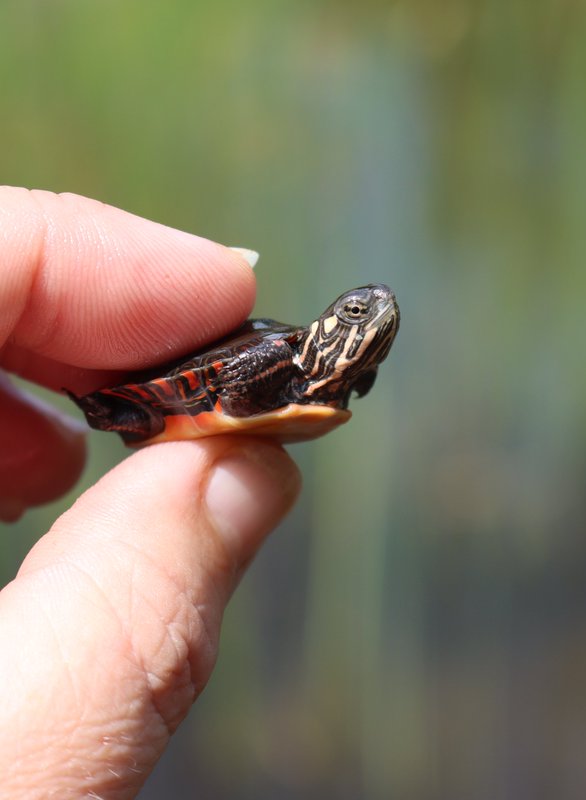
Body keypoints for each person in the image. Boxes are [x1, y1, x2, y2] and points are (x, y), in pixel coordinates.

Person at [0, 187, 301, 797]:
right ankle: (117, 405)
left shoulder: (309, 373)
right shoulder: (277, 355)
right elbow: (239, 375)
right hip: (189, 393)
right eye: (353, 318)